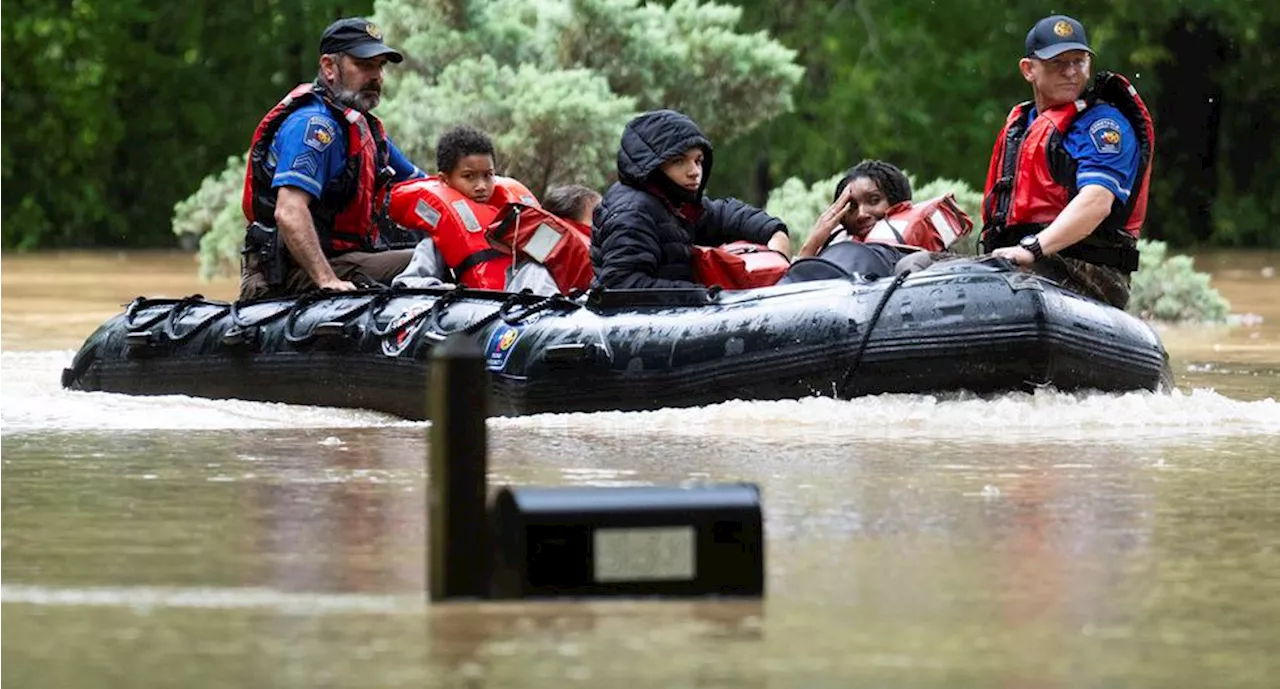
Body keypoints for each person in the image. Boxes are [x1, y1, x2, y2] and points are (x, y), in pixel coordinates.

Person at [240, 17, 428, 300]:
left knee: (436, 249)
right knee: (425, 261)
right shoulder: (314, 128)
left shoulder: (362, 129)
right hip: (294, 273)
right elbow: (289, 212)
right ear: (329, 67)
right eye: (364, 65)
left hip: (348, 259)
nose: (376, 76)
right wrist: (327, 280)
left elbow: (423, 187)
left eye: (380, 67)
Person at [980, 14, 1155, 309]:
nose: (1071, 72)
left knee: (1004, 282)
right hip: (1020, 261)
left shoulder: (1105, 126)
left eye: (1079, 61)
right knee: (919, 263)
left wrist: (1033, 249)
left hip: (1089, 268)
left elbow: (1096, 202)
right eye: (1058, 63)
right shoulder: (1022, 126)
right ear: (1028, 70)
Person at [591, 109, 790, 289]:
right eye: (679, 161)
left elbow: (720, 214)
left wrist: (773, 231)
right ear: (652, 166)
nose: (694, 172)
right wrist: (705, 296)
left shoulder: (672, 202)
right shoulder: (633, 212)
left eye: (698, 161)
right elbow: (623, 287)